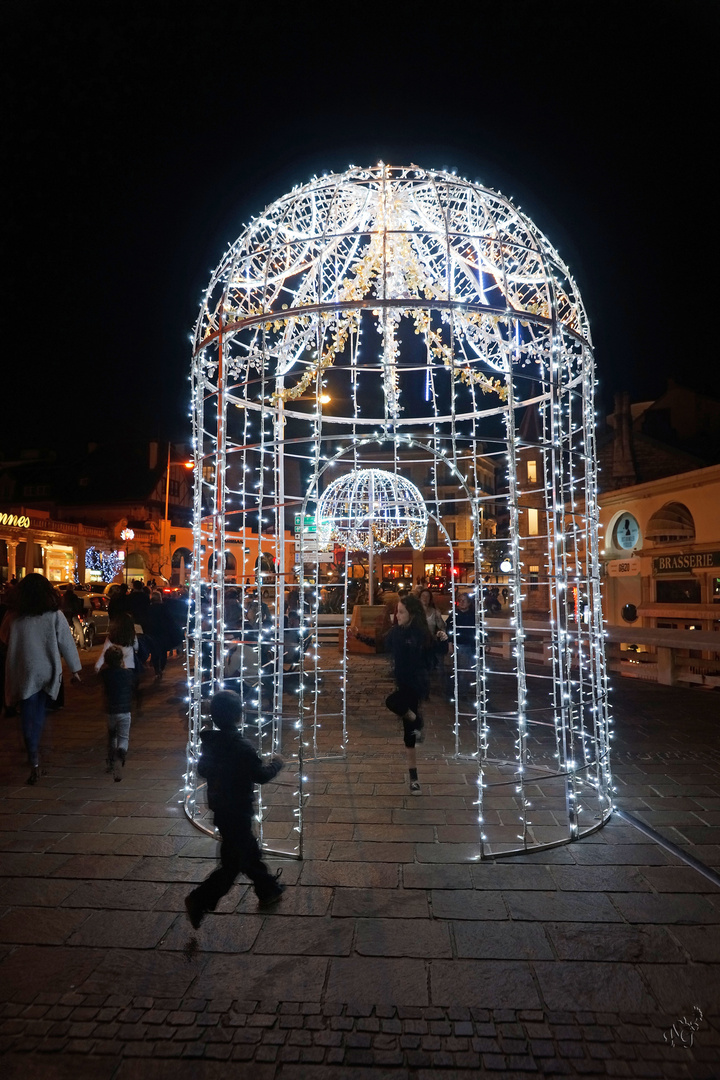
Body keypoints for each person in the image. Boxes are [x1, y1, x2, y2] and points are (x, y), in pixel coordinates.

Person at [184, 690, 285, 928]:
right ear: (239, 715)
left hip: (221, 807)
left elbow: (202, 770)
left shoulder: (211, 742)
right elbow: (260, 775)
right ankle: (200, 899)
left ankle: (268, 889)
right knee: (233, 864)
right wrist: (277, 764)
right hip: (238, 809)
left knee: (248, 852)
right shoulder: (241, 746)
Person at [350, 592, 433, 795]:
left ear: (411, 614)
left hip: (416, 685)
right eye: (397, 611)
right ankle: (416, 723)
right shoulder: (396, 633)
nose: (397, 615)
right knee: (405, 724)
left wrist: (443, 639)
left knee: (402, 722)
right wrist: (358, 635)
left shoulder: (420, 634)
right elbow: (379, 645)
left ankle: (414, 778)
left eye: (401, 612)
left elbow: (432, 654)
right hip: (402, 683)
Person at [4, 573, 82, 784]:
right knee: (38, 710)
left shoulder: (13, 616)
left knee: (27, 710)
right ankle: (35, 750)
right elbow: (66, 642)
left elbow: (3, 636)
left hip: (23, 668)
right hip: (47, 668)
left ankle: (33, 754)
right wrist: (75, 670)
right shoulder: (54, 615)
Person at [100, 645, 134, 781]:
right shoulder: (127, 674)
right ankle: (121, 751)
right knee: (123, 736)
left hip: (111, 711)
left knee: (111, 735)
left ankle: (111, 760)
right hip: (125, 711)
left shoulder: (105, 674)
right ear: (121, 659)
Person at [447, 591, 476, 698]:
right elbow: (449, 629)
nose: (462, 603)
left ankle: (464, 690)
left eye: (464, 601)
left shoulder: (473, 615)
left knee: (468, 670)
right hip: (459, 645)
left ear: (469, 603)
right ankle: (459, 691)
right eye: (460, 600)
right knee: (459, 669)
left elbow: (479, 628)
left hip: (471, 645)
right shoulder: (454, 614)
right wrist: (450, 643)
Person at [419, 588, 448, 672]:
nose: (425, 598)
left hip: (430, 642)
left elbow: (442, 626)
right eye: (423, 596)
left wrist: (440, 633)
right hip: (418, 643)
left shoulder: (434, 612)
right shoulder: (415, 612)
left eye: (427, 596)